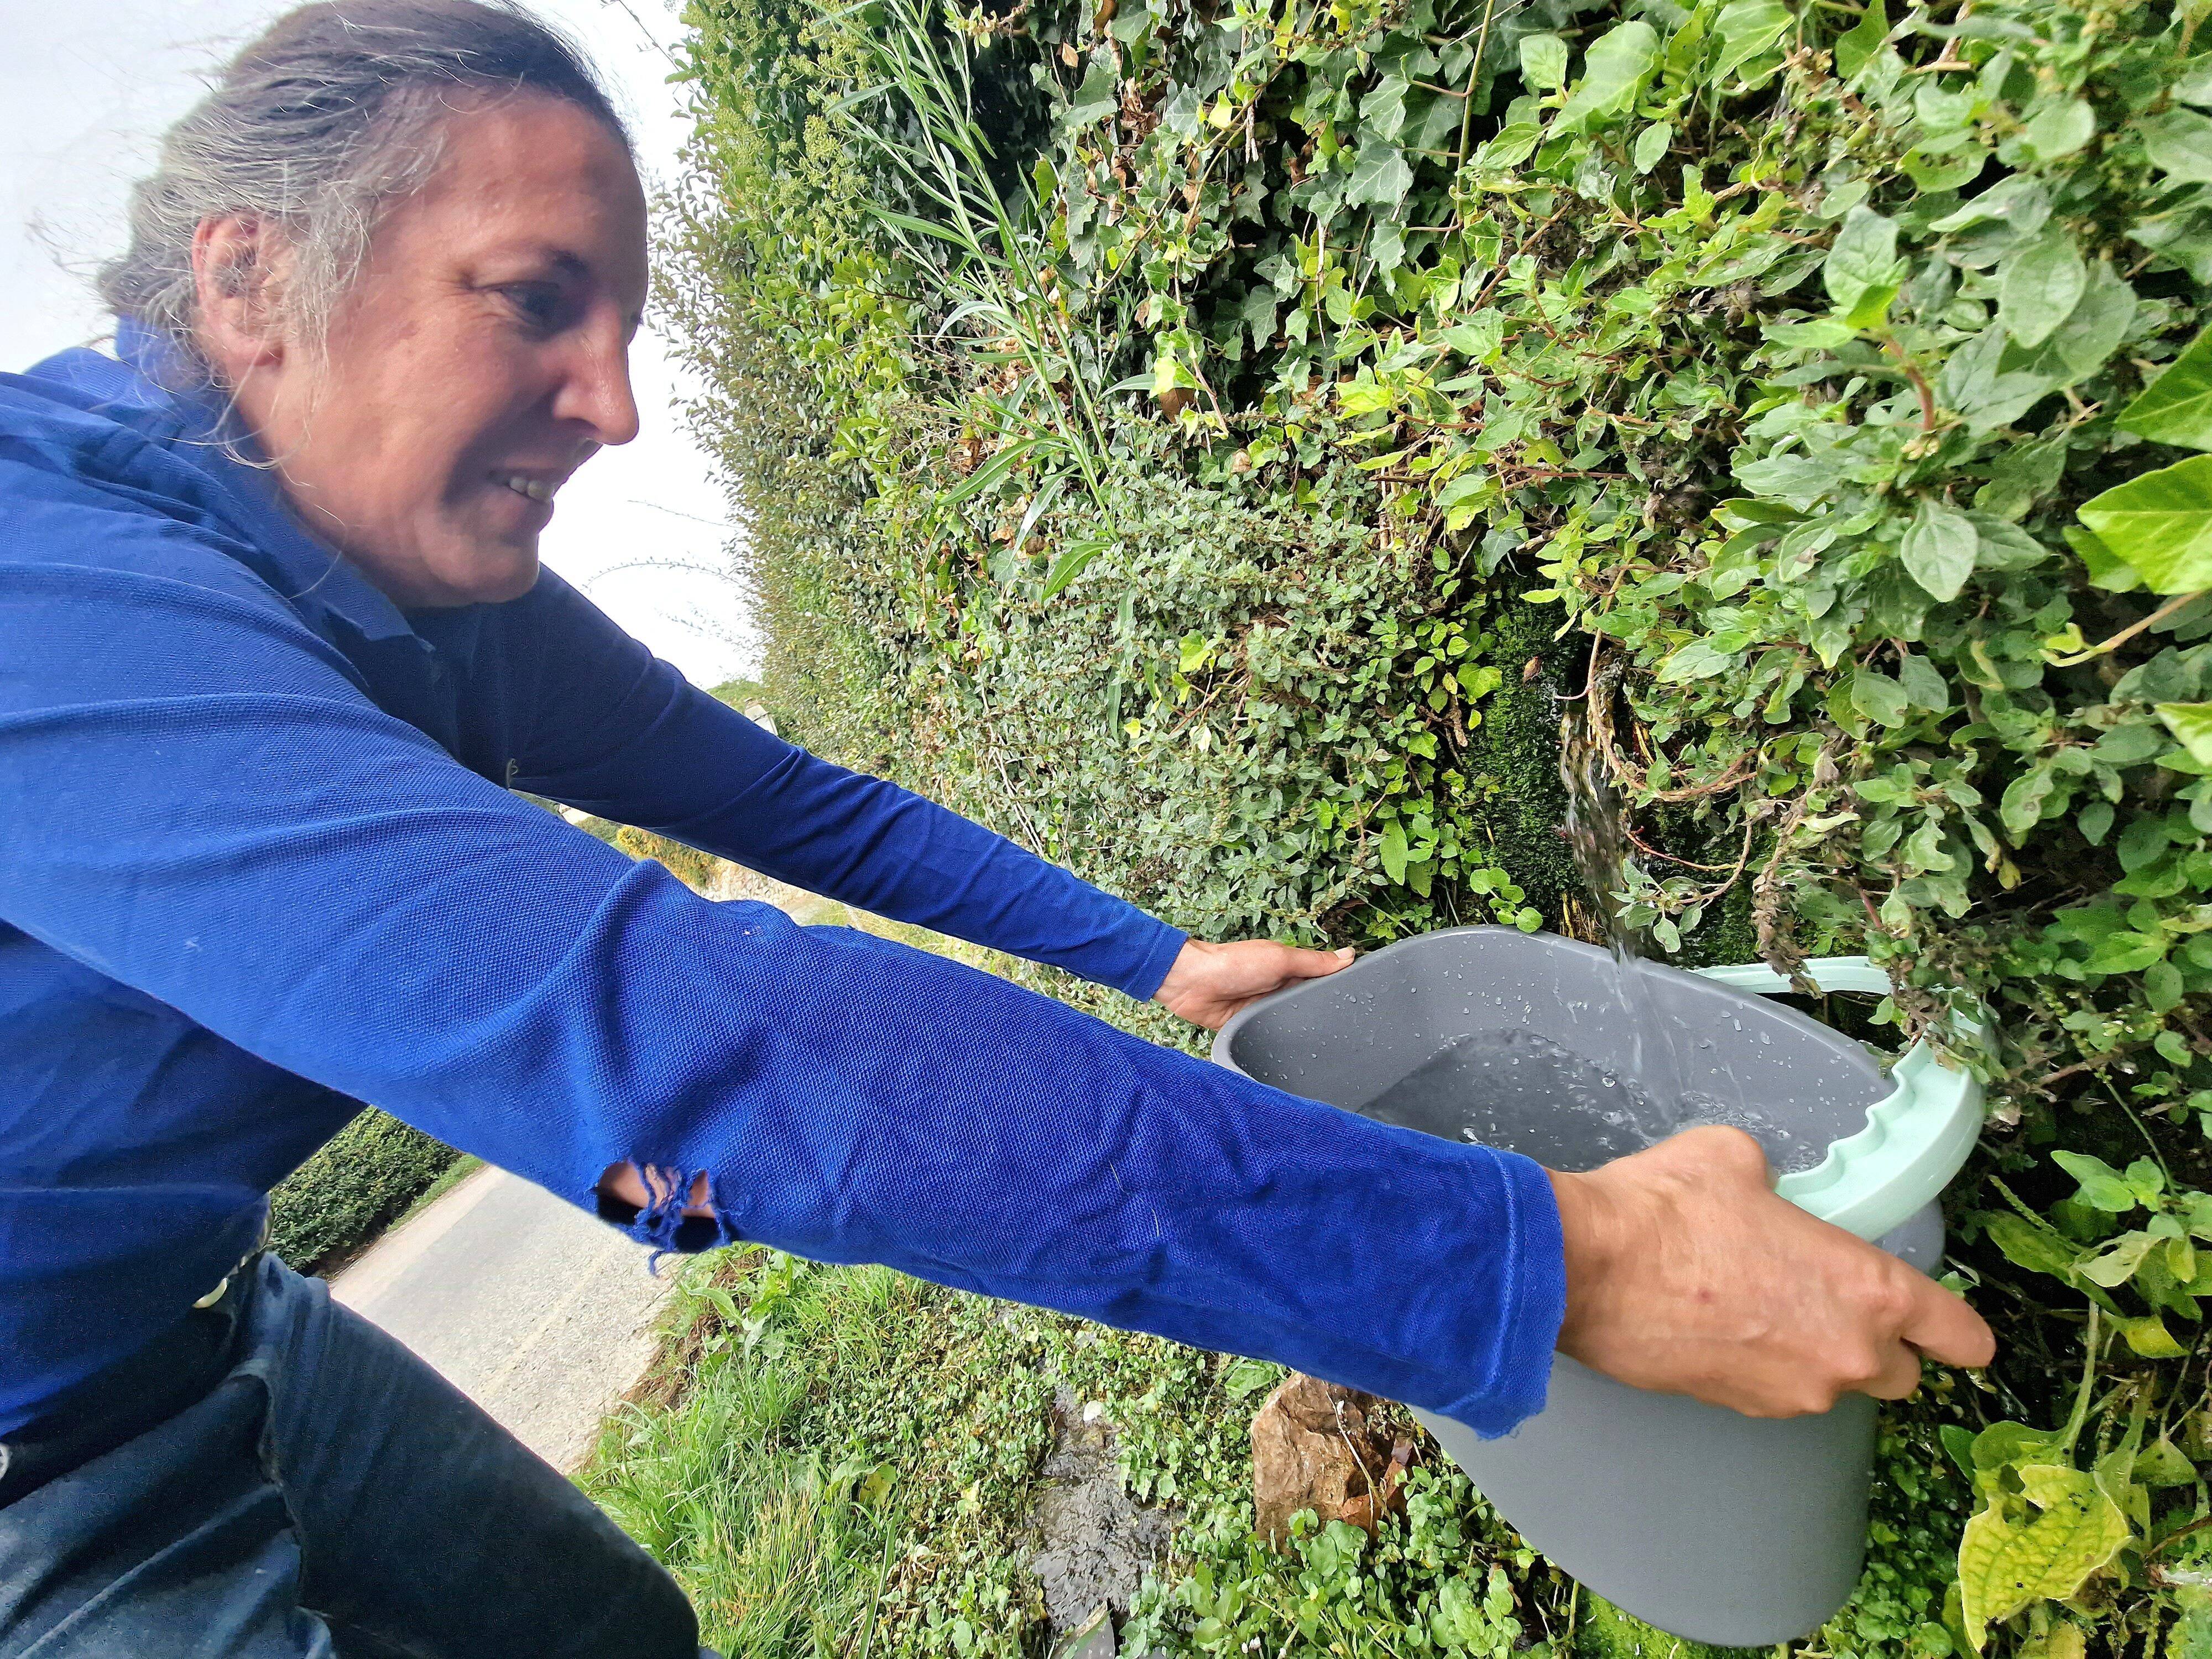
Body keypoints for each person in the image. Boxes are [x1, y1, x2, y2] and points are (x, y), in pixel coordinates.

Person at [0, 3, 1995, 1654]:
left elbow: (781, 799)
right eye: (534, 300)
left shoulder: (423, 592)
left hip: (206, 1326)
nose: (611, 405)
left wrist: (1152, 957)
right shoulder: (44, 585)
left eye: (621, 320)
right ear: (253, 277)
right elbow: (692, 1052)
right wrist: (1545, 1264)